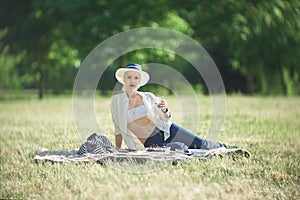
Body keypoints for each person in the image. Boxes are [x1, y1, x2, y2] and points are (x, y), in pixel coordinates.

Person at [110, 63, 229, 151]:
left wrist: (165, 110)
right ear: (124, 80)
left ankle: (227, 149)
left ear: (140, 81)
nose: (132, 81)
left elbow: (165, 116)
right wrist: (118, 149)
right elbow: (118, 128)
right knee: (181, 149)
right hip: (151, 142)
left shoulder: (148, 97)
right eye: (129, 77)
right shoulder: (117, 102)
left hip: (167, 130)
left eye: (136, 78)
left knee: (204, 145)